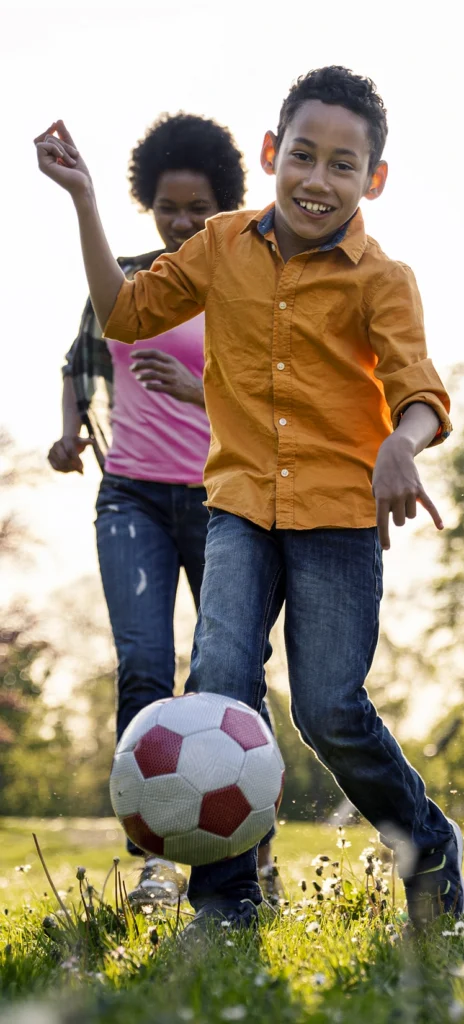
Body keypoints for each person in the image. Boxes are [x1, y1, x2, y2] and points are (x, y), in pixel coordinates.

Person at [35, 66, 464, 931]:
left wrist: (400, 443)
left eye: (342, 166)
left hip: (337, 520)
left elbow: (420, 392)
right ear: (272, 152)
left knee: (328, 711)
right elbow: (123, 313)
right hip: (234, 507)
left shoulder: (383, 278)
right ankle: (225, 900)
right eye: (302, 155)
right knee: (220, 691)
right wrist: (84, 200)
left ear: (371, 180)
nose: (318, 179)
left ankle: (427, 844)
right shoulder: (220, 244)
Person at [46, 112, 280, 907]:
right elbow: (81, 359)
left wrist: (203, 389)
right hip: (133, 497)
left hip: (224, 496)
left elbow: (276, 401)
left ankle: (253, 852)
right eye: (168, 207)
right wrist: (71, 430)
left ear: (224, 204)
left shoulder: (241, 285)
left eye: (197, 208)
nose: (180, 222)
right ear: (148, 200)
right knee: (143, 668)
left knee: (229, 676)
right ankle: (153, 859)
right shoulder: (132, 281)